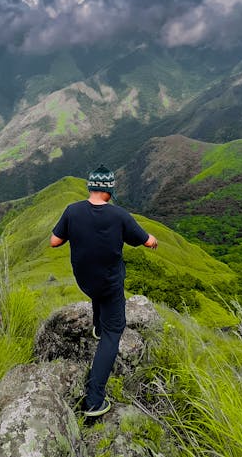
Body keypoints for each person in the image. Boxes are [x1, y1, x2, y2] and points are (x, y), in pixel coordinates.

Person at [50, 165, 158, 417]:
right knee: (114, 331)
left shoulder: (72, 211)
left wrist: (74, 232)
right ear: (109, 190)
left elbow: (54, 241)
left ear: (90, 187)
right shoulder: (119, 216)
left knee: (99, 288)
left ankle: (98, 325)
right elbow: (146, 240)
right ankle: (94, 399)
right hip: (108, 285)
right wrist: (153, 240)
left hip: (84, 280)